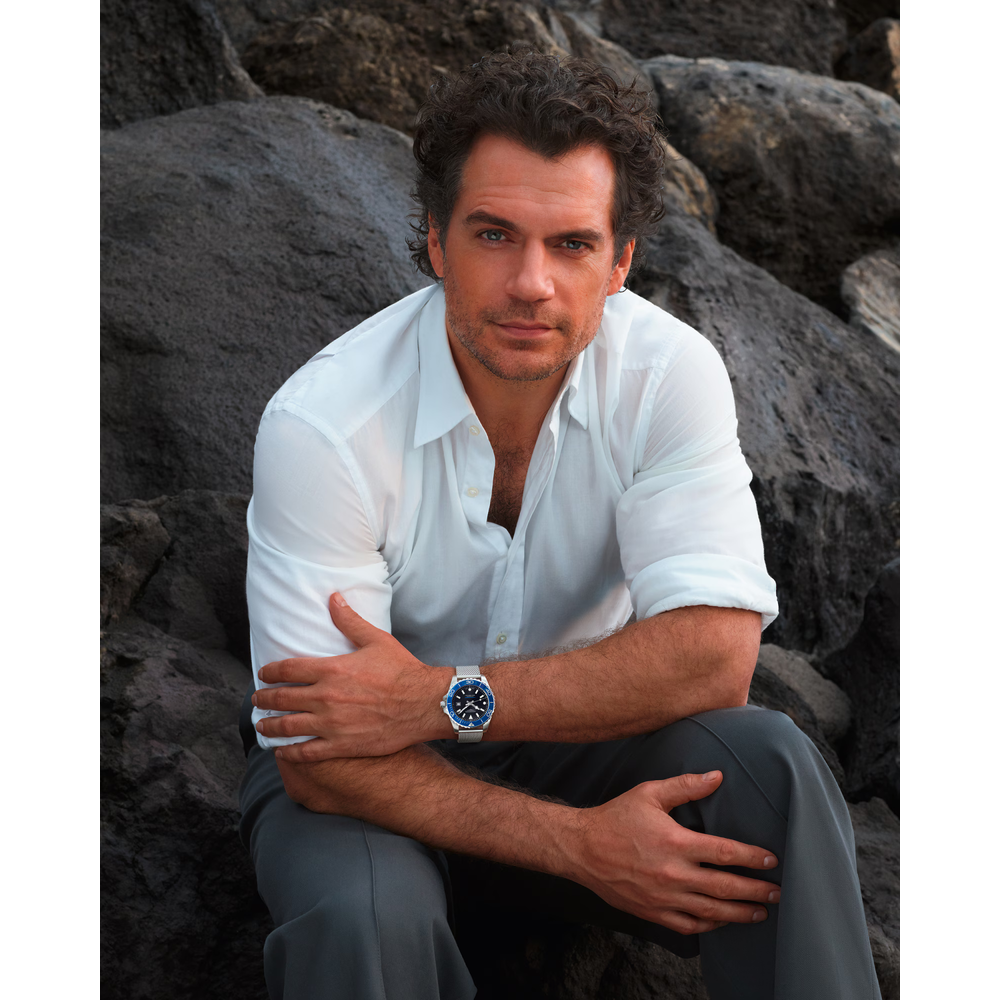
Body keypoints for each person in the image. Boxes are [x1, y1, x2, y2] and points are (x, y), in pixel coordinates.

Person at [237, 49, 881, 1000]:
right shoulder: (324, 424)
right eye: (495, 235)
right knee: (361, 914)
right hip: (376, 779)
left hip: (574, 736)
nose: (531, 283)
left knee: (770, 768)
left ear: (620, 262)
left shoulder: (669, 377)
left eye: (572, 244)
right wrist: (582, 846)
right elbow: (320, 756)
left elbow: (714, 660)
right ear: (435, 242)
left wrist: (442, 698)